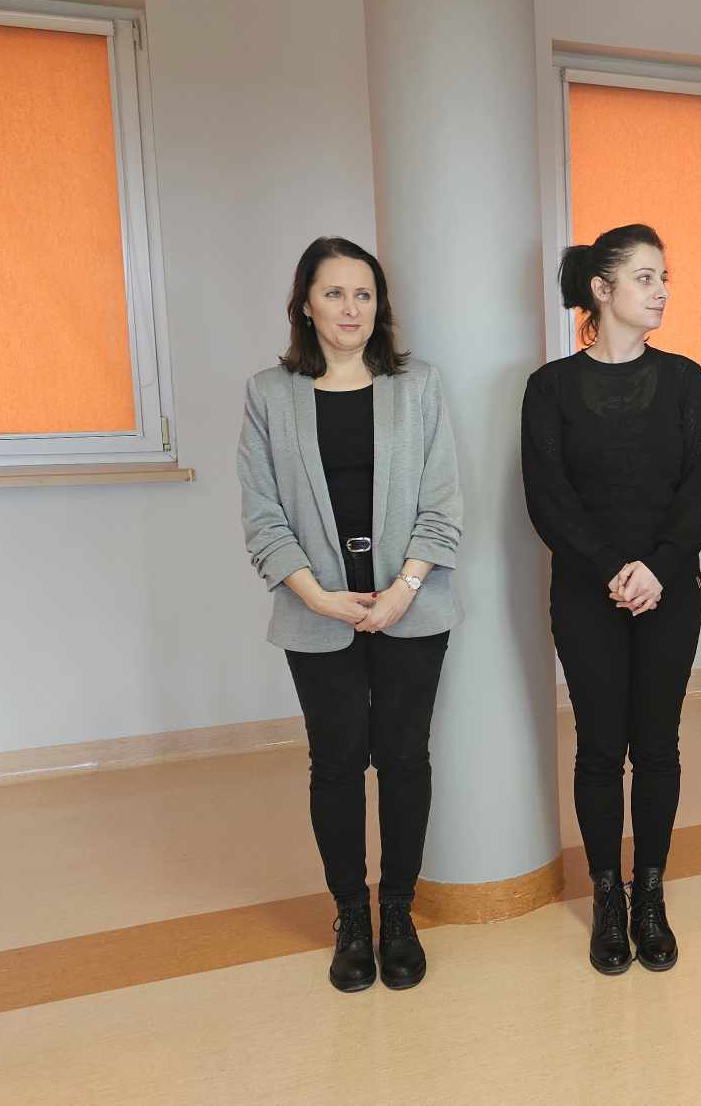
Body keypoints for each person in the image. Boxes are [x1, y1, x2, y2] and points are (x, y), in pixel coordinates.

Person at [237, 236, 464, 991]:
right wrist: (317, 596)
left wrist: (403, 589)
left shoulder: (419, 386)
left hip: (411, 605)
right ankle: (351, 917)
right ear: (305, 304)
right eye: (333, 293)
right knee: (335, 765)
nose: (350, 308)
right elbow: (263, 515)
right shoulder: (269, 395)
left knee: (403, 759)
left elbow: (443, 504)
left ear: (379, 305)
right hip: (317, 611)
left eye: (363, 294)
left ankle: (396, 912)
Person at [521, 223, 701, 975]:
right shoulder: (550, 388)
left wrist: (659, 569)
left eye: (664, 277)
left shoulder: (686, 379)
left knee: (658, 744)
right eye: (644, 277)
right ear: (600, 290)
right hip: (585, 594)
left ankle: (650, 893)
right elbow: (549, 499)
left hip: (671, 590)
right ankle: (608, 894)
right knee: (601, 746)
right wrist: (612, 569)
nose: (661, 291)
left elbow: (699, 492)